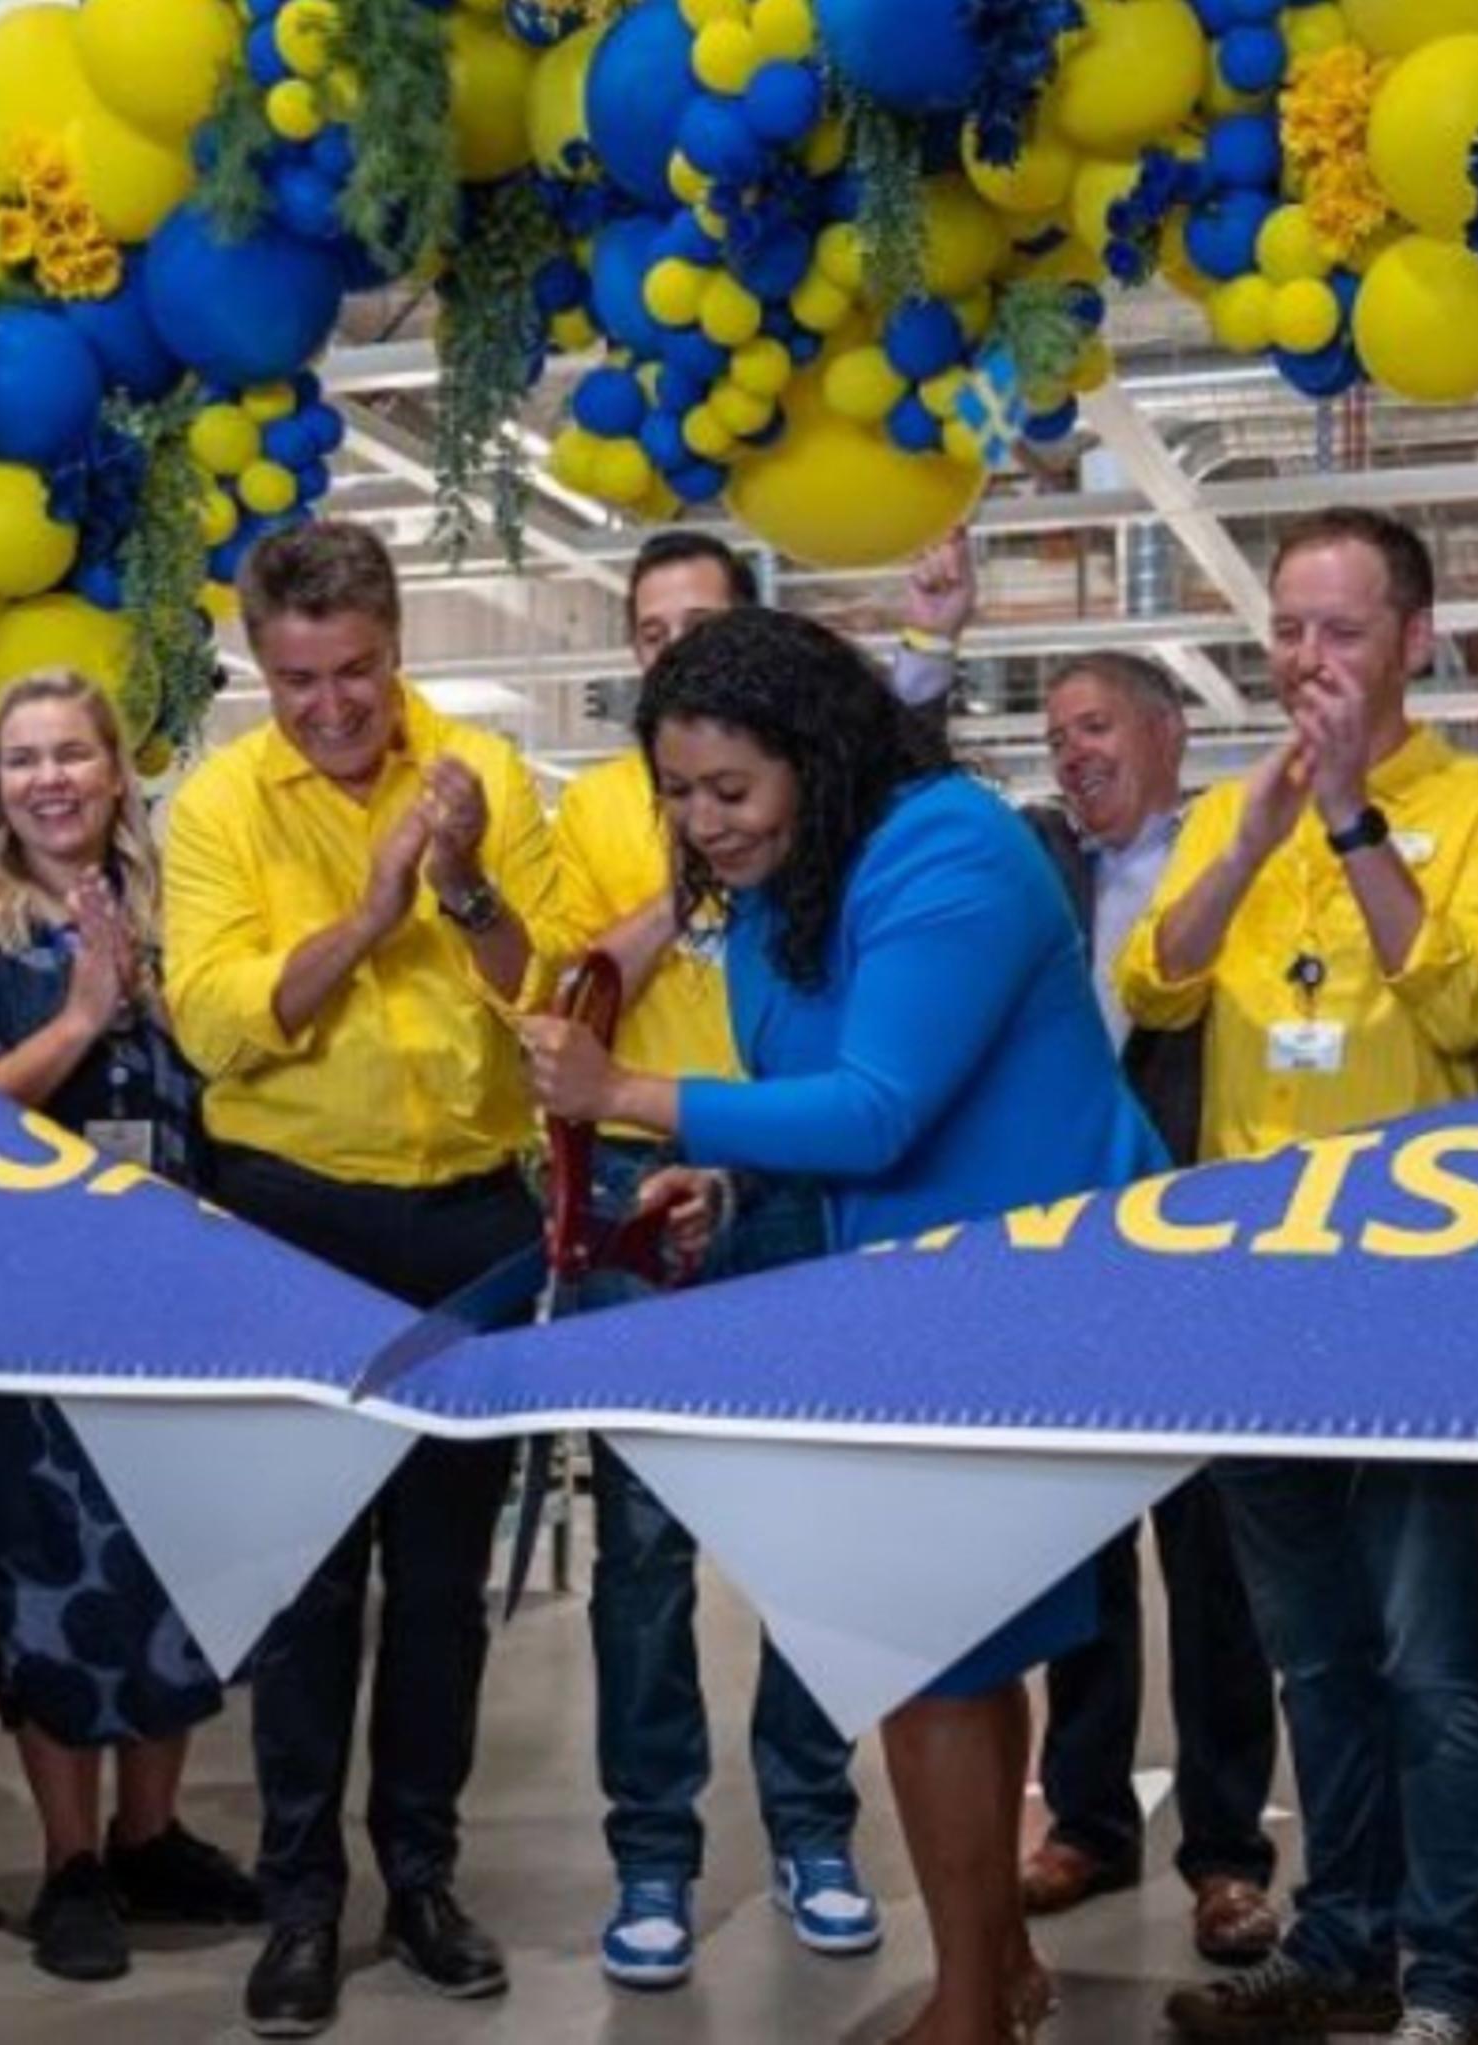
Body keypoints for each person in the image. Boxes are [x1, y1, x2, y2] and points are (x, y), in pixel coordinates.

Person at [516, 603, 1165, 2045]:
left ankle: (967, 2004)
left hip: (1030, 1297)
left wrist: (628, 1096)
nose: (703, 822)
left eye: (730, 789)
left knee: (934, 1654)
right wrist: (728, 1166)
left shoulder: (947, 846)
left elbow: (882, 1104)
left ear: (816, 753)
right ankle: (996, 1972)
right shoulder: (777, 885)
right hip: (920, 1302)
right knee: (966, 1652)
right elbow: (826, 1090)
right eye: (676, 793)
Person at [1122, 506, 1478, 2045]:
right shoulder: (1241, 805)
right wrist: (1250, 834)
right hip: (1255, 1293)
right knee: (1312, 1652)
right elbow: (1156, 978)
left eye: (1342, 632)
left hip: (1421, 1294)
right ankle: (1343, 1942)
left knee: (1433, 1652)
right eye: (1289, 632)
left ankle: (1451, 1977)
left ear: (1415, 641)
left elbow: (1467, 1004)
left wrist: (1359, 821)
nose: (1308, 661)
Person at [160, 518, 573, 2038]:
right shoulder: (216, 805)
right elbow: (214, 1026)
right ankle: (299, 1902)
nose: (333, 707)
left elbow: (542, 988)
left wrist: (461, 887)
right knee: (309, 1582)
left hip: (470, 1219)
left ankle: (422, 1876)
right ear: (259, 668)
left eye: (358, 673)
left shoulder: (483, 768)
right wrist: (373, 912)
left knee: (446, 1590)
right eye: (298, 679)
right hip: (291, 1219)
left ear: (399, 648)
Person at [549, 529, 877, 1990]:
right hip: (645, 1199)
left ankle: (815, 1820)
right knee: (643, 1546)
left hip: (795, 1188)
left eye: (701, 629)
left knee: (814, 1533)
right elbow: (569, 992)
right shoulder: (606, 813)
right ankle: (655, 1855)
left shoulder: (840, 837)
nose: (707, 809)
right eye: (648, 629)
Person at [0, 670, 262, 1981]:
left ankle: (150, 1831)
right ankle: (67, 1857)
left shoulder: (189, 915)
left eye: (74, 753)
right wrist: (76, 1019)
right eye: (24, 759)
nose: (50, 778)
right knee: (49, 1583)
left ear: (120, 769)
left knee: (171, 1574)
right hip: (33, 1321)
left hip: (180, 1310)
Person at [1012, 650, 1286, 1971]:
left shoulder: (1250, 844)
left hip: (1208, 1245)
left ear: (1171, 731)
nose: (1072, 753)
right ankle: (1084, 1819)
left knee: (1217, 1563)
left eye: (1097, 724)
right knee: (1081, 1555)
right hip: (1066, 1251)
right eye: (1057, 733)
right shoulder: (1035, 862)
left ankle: (1229, 1851)